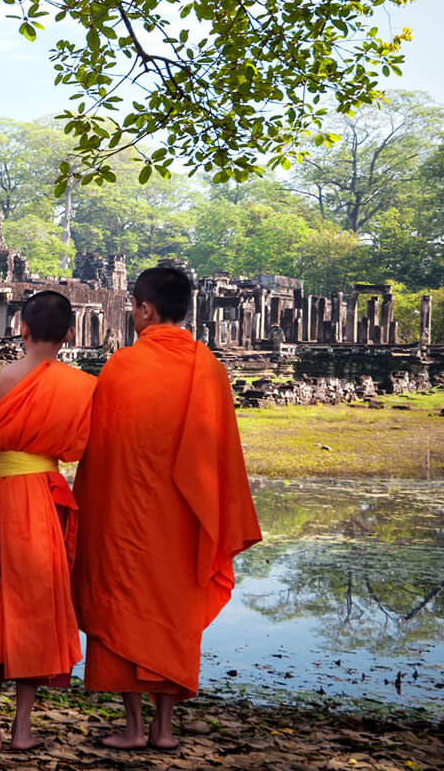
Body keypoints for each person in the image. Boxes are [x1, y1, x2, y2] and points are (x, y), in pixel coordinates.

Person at [73, 266, 263, 749]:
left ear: (145, 309)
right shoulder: (210, 368)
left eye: (134, 307)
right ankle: (163, 728)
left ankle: (134, 728)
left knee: (123, 607)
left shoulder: (122, 366)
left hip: (126, 518)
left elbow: (102, 453)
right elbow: (222, 454)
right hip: (185, 520)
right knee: (172, 610)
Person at [0, 290, 96, 752]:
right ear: (71, 334)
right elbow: (85, 449)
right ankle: (22, 730)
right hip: (43, 498)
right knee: (35, 606)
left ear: (22, 329)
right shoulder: (82, 386)